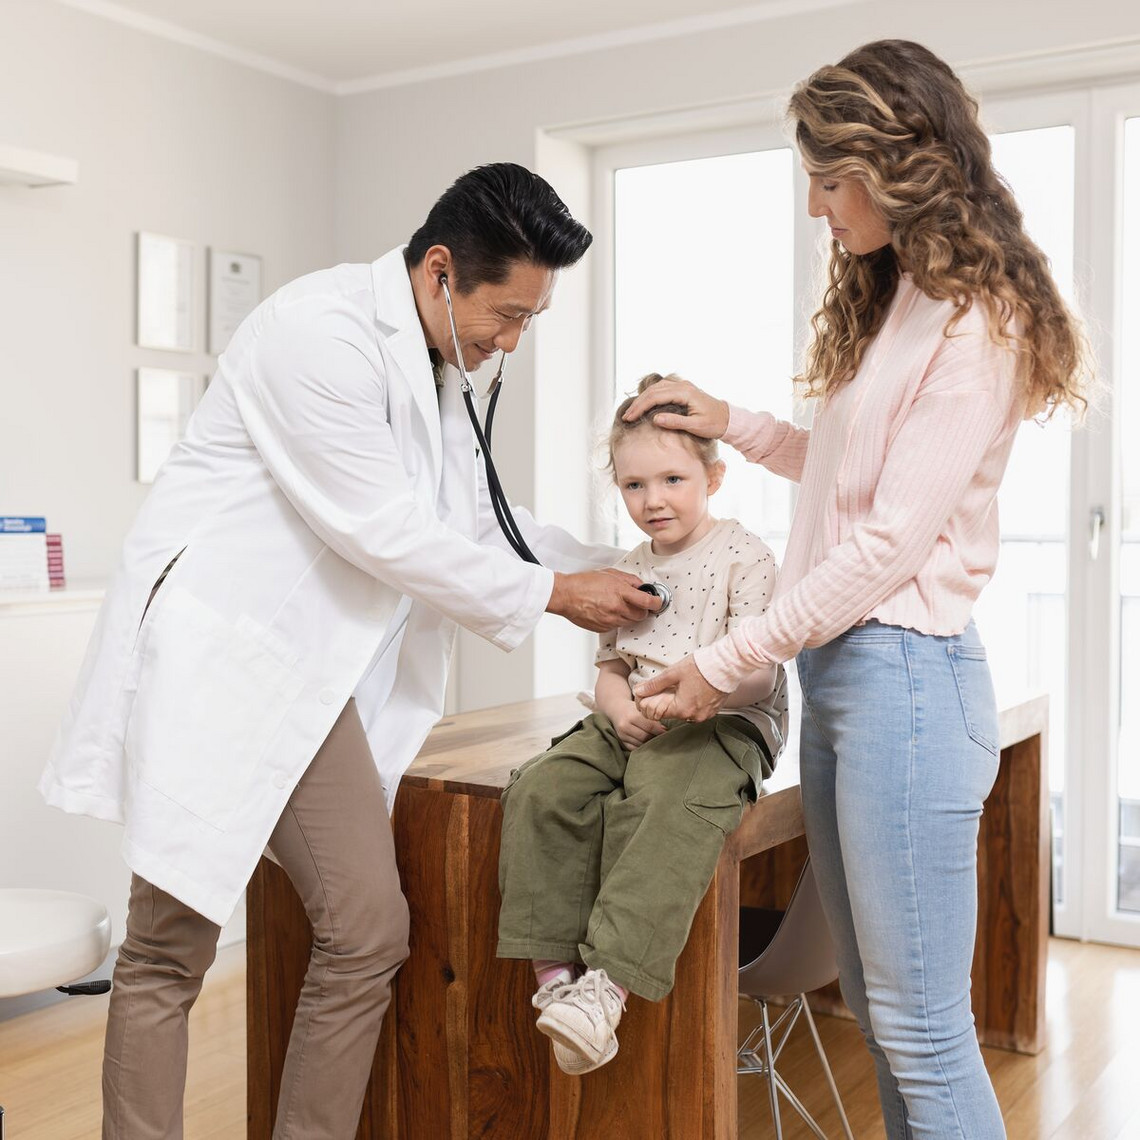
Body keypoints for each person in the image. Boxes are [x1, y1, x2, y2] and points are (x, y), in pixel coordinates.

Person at [39, 163, 660, 1139]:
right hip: (225, 663)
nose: (511, 343)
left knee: (367, 931)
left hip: (307, 684)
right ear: (442, 272)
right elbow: (387, 531)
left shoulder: (436, 369)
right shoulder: (315, 333)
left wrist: (627, 563)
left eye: (532, 322)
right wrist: (556, 595)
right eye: (508, 315)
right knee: (169, 950)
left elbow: (481, 519)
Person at [626, 41, 1089, 1140]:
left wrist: (725, 663)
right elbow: (836, 475)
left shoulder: (980, 323)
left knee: (923, 1029)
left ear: (895, 165)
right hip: (853, 681)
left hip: (908, 685)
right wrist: (720, 419)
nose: (815, 208)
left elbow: (882, 548)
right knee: (884, 1017)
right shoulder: (904, 305)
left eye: (828, 181)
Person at [496, 372, 788, 1074]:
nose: (653, 499)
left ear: (713, 478)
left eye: (672, 480)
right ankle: (554, 983)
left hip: (723, 720)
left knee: (662, 796)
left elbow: (762, 669)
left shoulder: (742, 554)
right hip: (633, 721)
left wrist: (701, 689)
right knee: (541, 788)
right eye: (634, 486)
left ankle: (609, 987)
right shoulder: (628, 567)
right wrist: (620, 710)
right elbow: (610, 666)